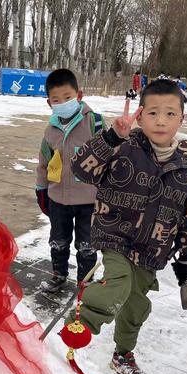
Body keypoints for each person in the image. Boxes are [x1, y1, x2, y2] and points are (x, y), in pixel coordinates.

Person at [67, 79, 187, 374]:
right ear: (140, 116)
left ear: (182, 118)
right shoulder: (123, 147)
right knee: (118, 281)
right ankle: (75, 329)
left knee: (136, 303)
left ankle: (122, 353)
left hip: (153, 249)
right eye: (152, 113)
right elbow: (81, 169)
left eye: (170, 114)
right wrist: (112, 137)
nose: (161, 121)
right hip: (115, 236)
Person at [35, 68, 124, 293]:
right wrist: (41, 189)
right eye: (56, 100)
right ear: (49, 103)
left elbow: (111, 154)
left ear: (79, 95)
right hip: (58, 199)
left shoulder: (94, 123)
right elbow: (44, 162)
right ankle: (59, 275)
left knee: (87, 245)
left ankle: (86, 282)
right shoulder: (50, 131)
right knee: (58, 241)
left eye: (67, 97)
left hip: (89, 200)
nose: (62, 103)